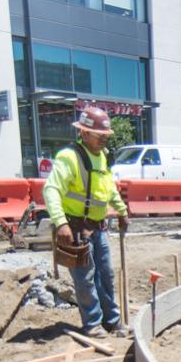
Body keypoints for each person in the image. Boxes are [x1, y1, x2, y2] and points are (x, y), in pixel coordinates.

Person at [44, 106, 129, 338]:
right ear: (83, 132)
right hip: (75, 228)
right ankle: (92, 324)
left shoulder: (101, 156)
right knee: (85, 278)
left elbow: (108, 188)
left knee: (106, 275)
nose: (103, 138)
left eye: (105, 135)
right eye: (99, 134)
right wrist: (61, 223)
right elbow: (51, 190)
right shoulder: (69, 157)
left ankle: (112, 321)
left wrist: (121, 210)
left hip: (98, 227)